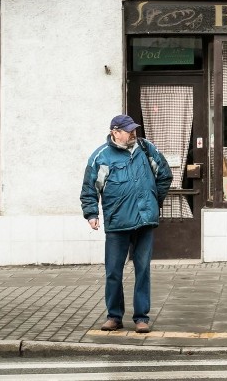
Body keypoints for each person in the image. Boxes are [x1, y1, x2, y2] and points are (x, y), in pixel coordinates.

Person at [80, 114, 173, 333]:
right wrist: (91, 214)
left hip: (144, 221)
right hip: (117, 223)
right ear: (115, 132)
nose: (133, 133)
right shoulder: (101, 157)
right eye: (128, 130)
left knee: (143, 270)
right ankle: (114, 316)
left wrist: (153, 200)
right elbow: (89, 189)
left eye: (134, 130)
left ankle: (142, 318)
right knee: (113, 272)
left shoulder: (146, 148)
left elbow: (164, 175)